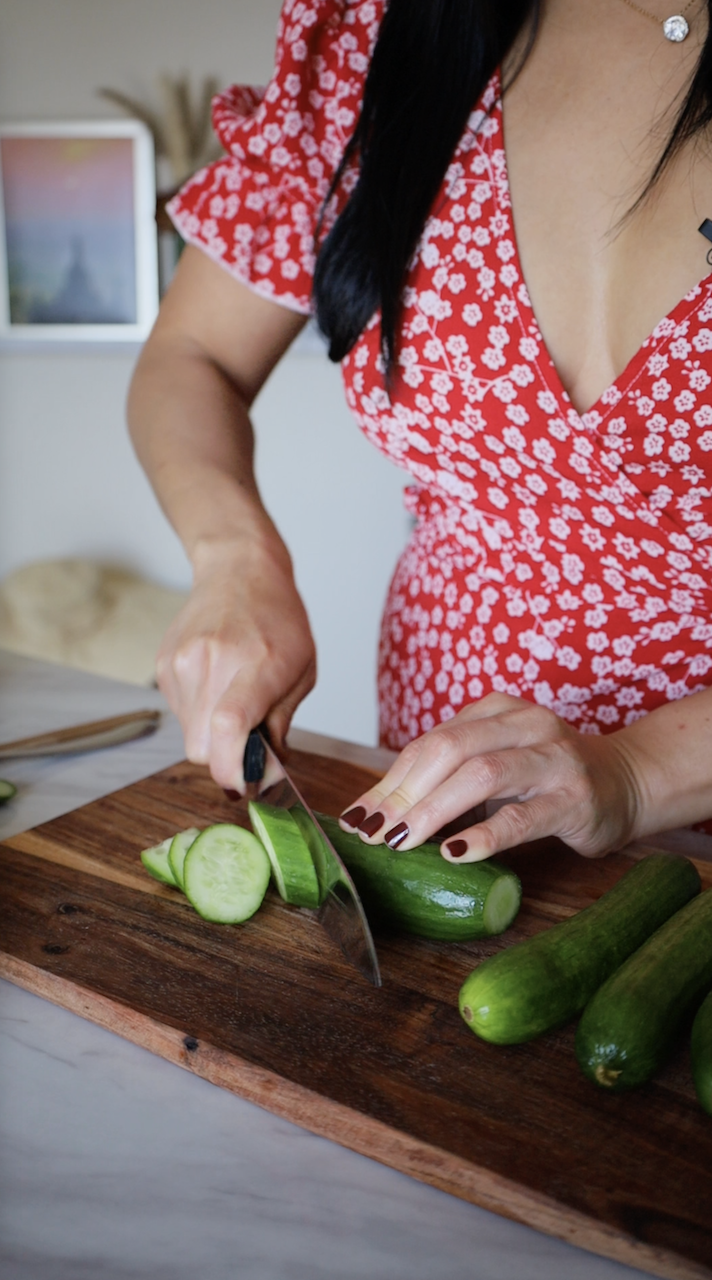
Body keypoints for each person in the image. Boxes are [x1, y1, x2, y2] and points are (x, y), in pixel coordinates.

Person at [128, 0, 712, 868]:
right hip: (434, 805)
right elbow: (192, 353)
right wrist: (234, 560)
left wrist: (632, 770)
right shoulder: (380, 31)